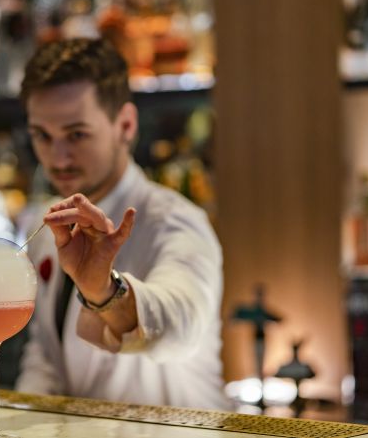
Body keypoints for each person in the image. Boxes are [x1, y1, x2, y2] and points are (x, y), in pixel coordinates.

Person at [15, 38, 229, 410]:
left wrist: (104, 291)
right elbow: (45, 356)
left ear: (125, 125)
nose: (57, 157)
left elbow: (181, 322)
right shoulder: (45, 223)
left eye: (77, 134)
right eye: (41, 136)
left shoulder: (175, 221)